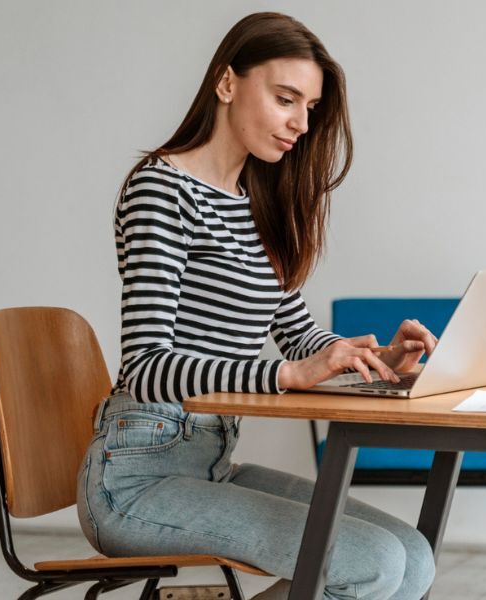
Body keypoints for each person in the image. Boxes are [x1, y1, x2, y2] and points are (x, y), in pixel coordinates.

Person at [76, 12, 439, 600]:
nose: (299, 122)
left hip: (212, 462)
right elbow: (144, 366)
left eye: (310, 108)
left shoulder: (254, 206)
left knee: (413, 557)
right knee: (370, 562)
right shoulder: (161, 189)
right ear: (226, 84)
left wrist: (369, 362)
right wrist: (286, 374)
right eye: (285, 98)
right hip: (137, 477)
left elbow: (298, 338)